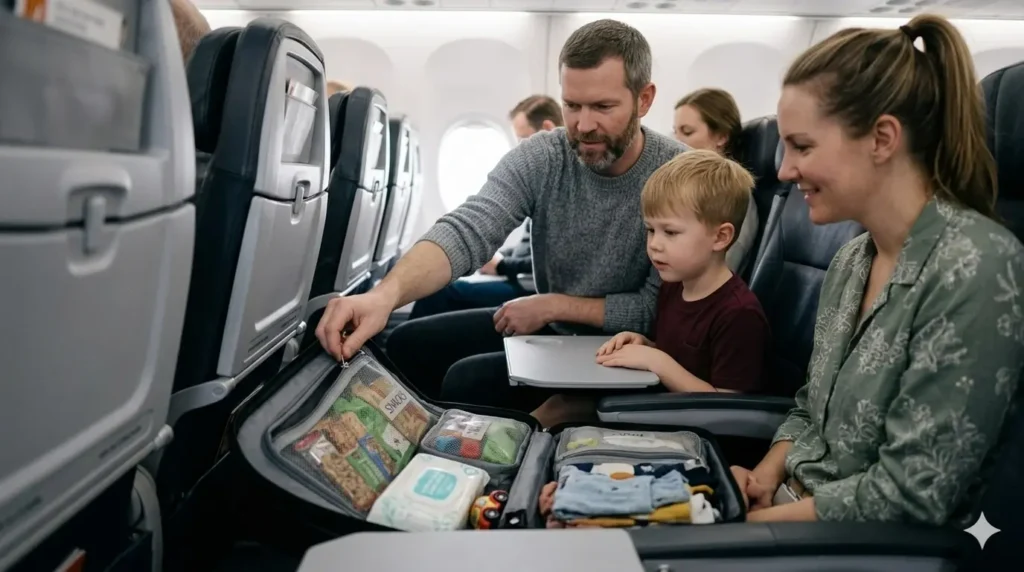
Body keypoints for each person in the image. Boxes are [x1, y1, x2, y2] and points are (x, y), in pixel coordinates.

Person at [730, 14, 1023, 527]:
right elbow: (809, 410)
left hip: (859, 546)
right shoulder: (853, 258)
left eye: (802, 146)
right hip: (792, 512)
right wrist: (762, 479)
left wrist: (741, 528)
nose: (782, 170)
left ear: (882, 138)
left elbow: (911, 494)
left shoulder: (975, 266)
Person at [315, 19, 687, 413]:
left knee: (467, 380)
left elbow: (653, 309)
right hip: (558, 330)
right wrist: (384, 296)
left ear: (644, 100)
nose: (583, 125)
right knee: (409, 344)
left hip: (625, 348)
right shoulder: (546, 155)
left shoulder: (676, 172)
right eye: (572, 105)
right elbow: (469, 228)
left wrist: (553, 304)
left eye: (603, 107)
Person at [531, 150, 772, 427]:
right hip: (661, 408)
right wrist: (645, 344)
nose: (655, 244)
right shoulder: (673, 287)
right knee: (558, 403)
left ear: (720, 237)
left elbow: (730, 411)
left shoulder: (738, 315)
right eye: (650, 230)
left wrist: (657, 362)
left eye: (670, 232)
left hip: (696, 435)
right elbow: (685, 359)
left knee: (561, 412)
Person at [408, 95, 565, 320]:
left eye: (523, 139)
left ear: (547, 129)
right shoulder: (541, 181)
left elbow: (548, 263)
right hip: (518, 278)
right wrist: (497, 257)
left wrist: (502, 266)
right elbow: (529, 249)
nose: (521, 148)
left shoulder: (559, 186)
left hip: (529, 288)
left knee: (439, 294)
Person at [673, 88, 758, 274]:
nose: (675, 142)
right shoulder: (680, 187)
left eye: (687, 132)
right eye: (675, 132)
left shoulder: (733, 194)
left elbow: (721, 271)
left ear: (721, 137)